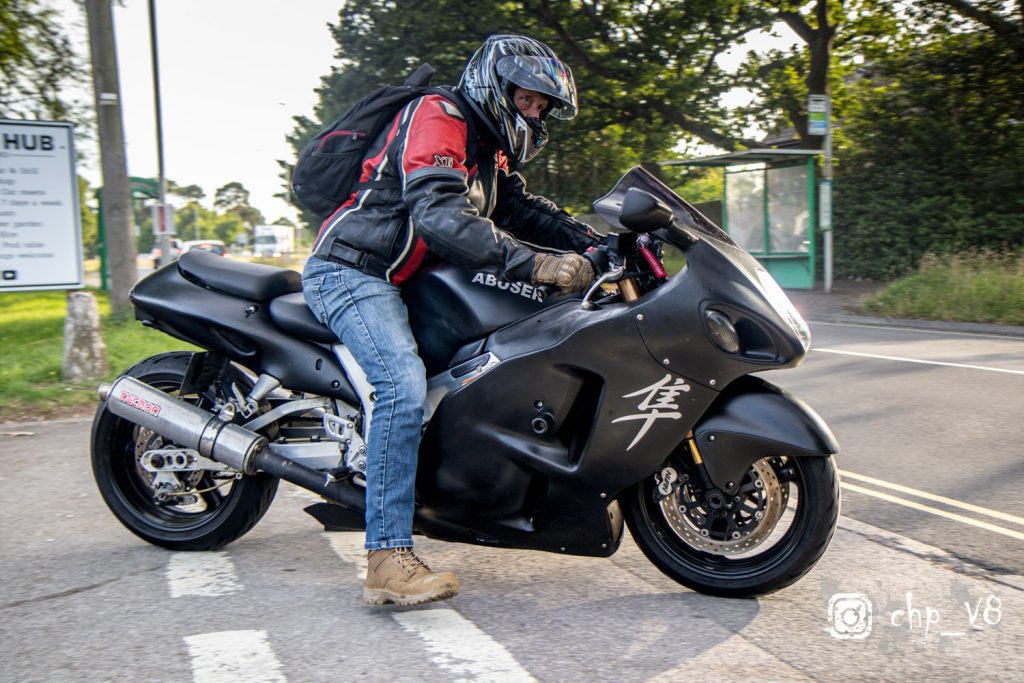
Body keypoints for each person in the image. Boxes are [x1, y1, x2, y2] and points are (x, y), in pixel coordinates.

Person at [301, 34, 601, 606]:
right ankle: (387, 558)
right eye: (529, 99)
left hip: (402, 281)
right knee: (401, 386)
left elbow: (521, 208)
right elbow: (440, 213)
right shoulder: (439, 116)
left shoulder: (487, 149)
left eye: (542, 107)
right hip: (353, 272)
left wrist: (598, 245)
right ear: (496, 84)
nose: (534, 113)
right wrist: (537, 264)